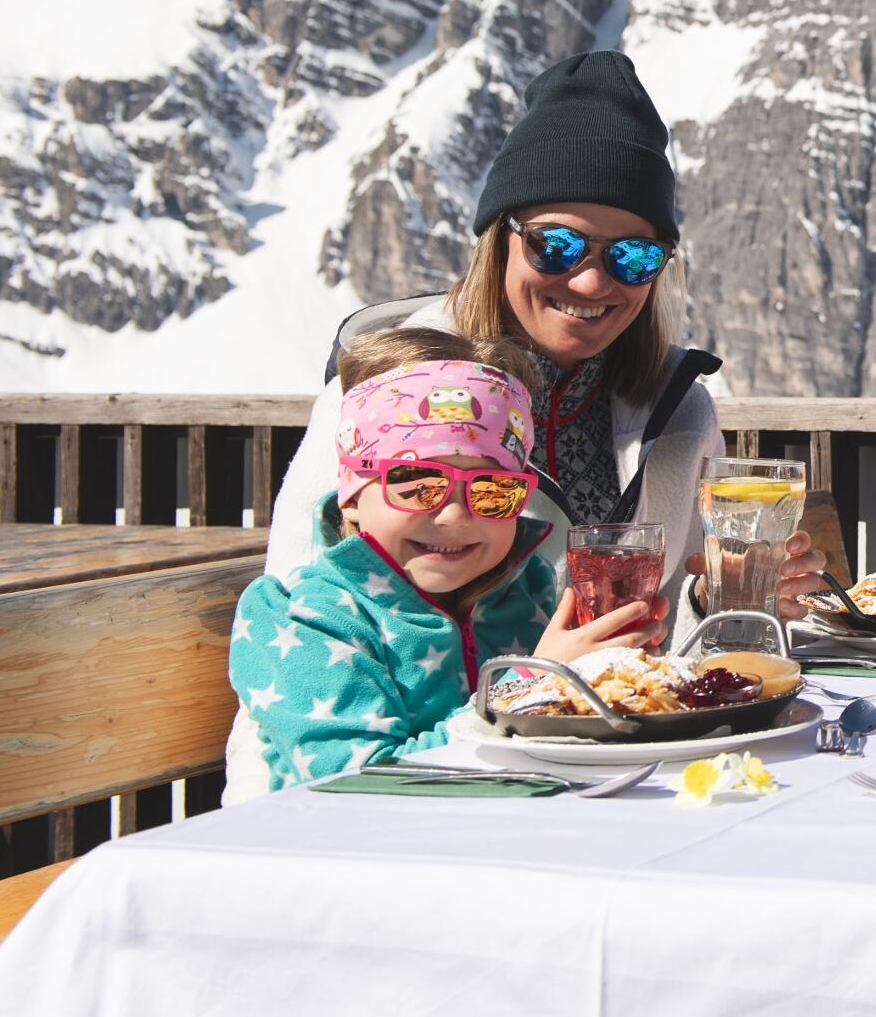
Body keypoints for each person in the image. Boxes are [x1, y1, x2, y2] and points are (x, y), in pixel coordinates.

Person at [226, 50, 825, 800]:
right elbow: (313, 639)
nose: (591, 280)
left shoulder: (678, 409)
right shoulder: (390, 390)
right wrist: (541, 686)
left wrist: (718, 605)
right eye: (557, 243)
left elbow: (643, 661)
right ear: (498, 237)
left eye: (633, 256)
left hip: (572, 783)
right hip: (340, 814)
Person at [230, 332, 658, 786]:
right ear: (352, 495)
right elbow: (358, 781)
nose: (454, 515)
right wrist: (532, 683)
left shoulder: (524, 588)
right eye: (418, 484)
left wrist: (611, 674)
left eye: (492, 490)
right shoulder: (306, 617)